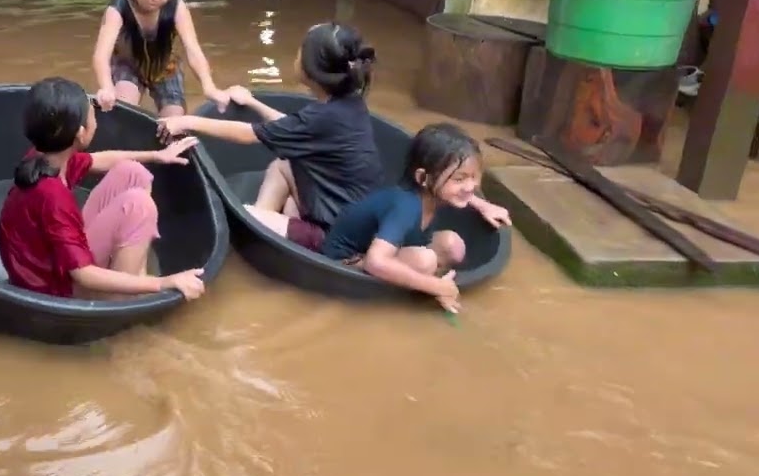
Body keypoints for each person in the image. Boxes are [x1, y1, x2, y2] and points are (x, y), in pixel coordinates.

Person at [156, 23, 383, 251]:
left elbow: (247, 134)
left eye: (301, 50)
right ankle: (265, 222)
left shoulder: (323, 117)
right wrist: (252, 102)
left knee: (240, 215)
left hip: (337, 236)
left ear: (311, 70)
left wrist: (187, 121)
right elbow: (291, 127)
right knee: (283, 164)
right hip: (352, 217)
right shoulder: (348, 104)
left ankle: (262, 226)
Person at [0, 77, 208, 301]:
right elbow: (83, 274)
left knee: (131, 172)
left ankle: (133, 273)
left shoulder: (47, 155)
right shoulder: (52, 196)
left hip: (48, 263)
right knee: (139, 206)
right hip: (53, 288)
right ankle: (121, 301)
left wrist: (157, 156)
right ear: (81, 133)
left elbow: (99, 159)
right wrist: (163, 283)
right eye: (92, 114)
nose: (96, 118)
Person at [319, 123, 512, 314]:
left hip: (386, 247)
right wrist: (436, 286)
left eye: (474, 177)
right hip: (345, 262)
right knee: (424, 261)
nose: (470, 187)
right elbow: (375, 262)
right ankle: (415, 289)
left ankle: (416, 283)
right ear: (423, 178)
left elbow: (456, 191)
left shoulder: (431, 193)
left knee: (453, 246)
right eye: (459, 179)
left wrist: (483, 205)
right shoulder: (405, 206)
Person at [92, 0, 230, 117]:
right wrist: (106, 87)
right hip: (128, 66)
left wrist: (209, 86)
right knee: (123, 110)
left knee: (174, 122)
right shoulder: (118, 9)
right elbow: (101, 56)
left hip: (165, 68)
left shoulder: (178, 8)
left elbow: (193, 50)